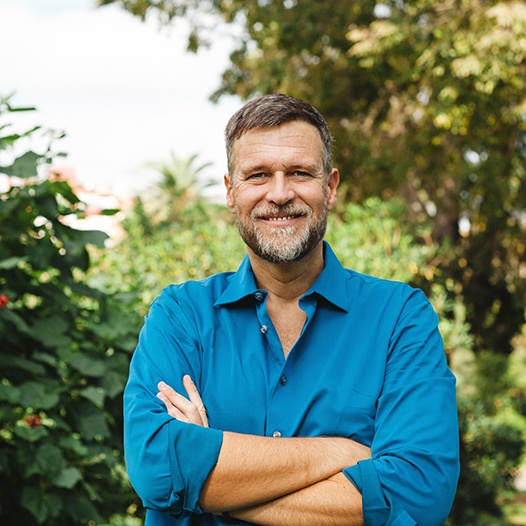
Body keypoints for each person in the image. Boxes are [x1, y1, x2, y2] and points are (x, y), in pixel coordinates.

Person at [124, 94, 460, 526]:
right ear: (231, 192)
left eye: (299, 173)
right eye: (258, 175)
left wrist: (209, 474)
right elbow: (157, 470)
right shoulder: (180, 316)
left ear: (330, 186)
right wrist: (339, 453)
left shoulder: (400, 318)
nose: (279, 193)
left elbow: (418, 493)